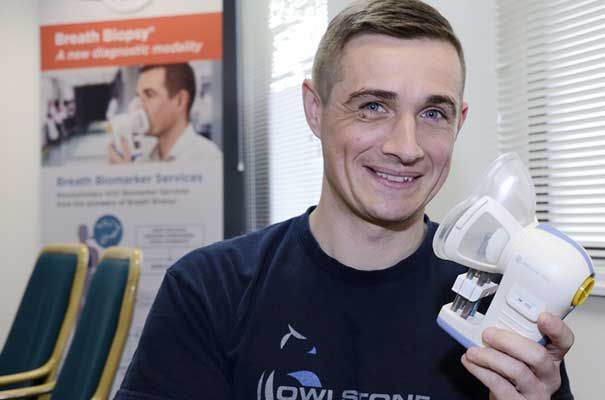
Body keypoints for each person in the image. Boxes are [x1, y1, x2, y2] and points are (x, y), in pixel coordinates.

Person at [114, 1, 575, 399]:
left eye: (434, 113)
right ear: (315, 110)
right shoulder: (209, 290)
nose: (406, 147)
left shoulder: (497, 307)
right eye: (373, 106)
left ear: (459, 122)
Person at [108, 62, 221, 163]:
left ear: (180, 101)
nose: (138, 106)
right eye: (138, 96)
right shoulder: (145, 159)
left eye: (149, 94)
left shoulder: (207, 158)